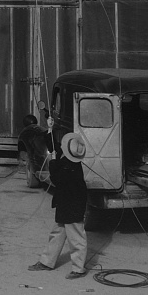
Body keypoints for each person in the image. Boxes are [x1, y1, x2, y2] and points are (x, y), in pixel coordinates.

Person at [28, 119, 89, 279]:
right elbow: (53, 145)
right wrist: (50, 128)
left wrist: (53, 163)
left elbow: (56, 179)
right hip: (65, 203)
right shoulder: (67, 158)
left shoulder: (70, 167)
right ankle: (46, 262)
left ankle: (79, 268)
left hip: (73, 205)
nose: (61, 146)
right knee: (58, 232)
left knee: (76, 236)